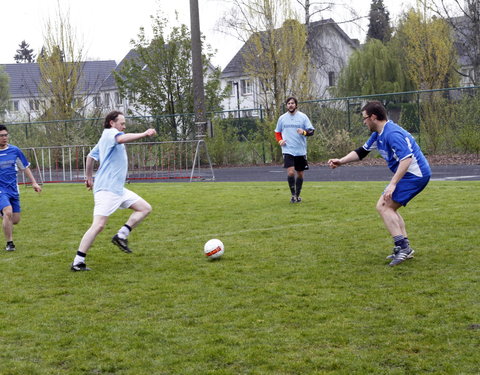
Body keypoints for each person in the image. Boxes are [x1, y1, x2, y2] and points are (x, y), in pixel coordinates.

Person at [328, 101, 431, 267]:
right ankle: (405, 248)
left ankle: (402, 247)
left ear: (373, 117)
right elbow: (362, 151)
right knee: (388, 207)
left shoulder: (392, 134)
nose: (364, 122)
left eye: (365, 118)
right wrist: (341, 161)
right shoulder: (379, 133)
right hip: (411, 174)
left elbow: (407, 159)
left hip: (414, 175)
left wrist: (392, 184)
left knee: (383, 206)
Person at [71, 111, 157, 271]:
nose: (124, 127)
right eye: (122, 123)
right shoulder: (111, 134)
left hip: (118, 189)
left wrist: (88, 177)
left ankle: (121, 235)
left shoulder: (106, 138)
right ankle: (77, 262)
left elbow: (90, 156)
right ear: (112, 123)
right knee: (98, 225)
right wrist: (145, 133)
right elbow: (122, 138)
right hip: (107, 189)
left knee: (145, 208)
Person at [0, 125, 42, 251]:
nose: (4, 138)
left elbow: (24, 167)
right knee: (8, 212)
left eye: (6, 135)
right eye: (1, 135)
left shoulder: (15, 150)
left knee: (15, 219)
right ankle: (10, 243)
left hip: (13, 189)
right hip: (1, 190)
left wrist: (34, 183)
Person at [275, 97, 315, 203]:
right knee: (291, 172)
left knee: (300, 174)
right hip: (287, 150)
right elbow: (277, 132)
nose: (290, 105)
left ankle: (297, 195)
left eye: (292, 103)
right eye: (288, 103)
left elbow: (311, 131)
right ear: (286, 105)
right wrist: (280, 141)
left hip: (300, 150)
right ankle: (293, 195)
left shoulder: (303, 117)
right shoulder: (282, 118)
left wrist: (304, 132)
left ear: (296, 105)